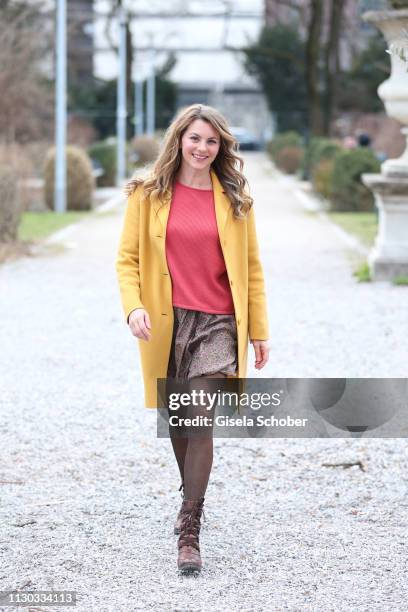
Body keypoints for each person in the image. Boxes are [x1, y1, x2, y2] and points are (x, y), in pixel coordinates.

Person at [115, 103, 269, 575]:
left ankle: (189, 528)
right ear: (178, 140)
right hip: (167, 323)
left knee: (199, 417)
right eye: (195, 138)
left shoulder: (236, 201)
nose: (202, 148)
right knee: (178, 419)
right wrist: (133, 307)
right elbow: (127, 260)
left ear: (221, 147)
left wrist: (259, 331)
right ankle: (192, 497)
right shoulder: (147, 194)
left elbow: (253, 270)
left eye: (212, 141)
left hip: (219, 322)